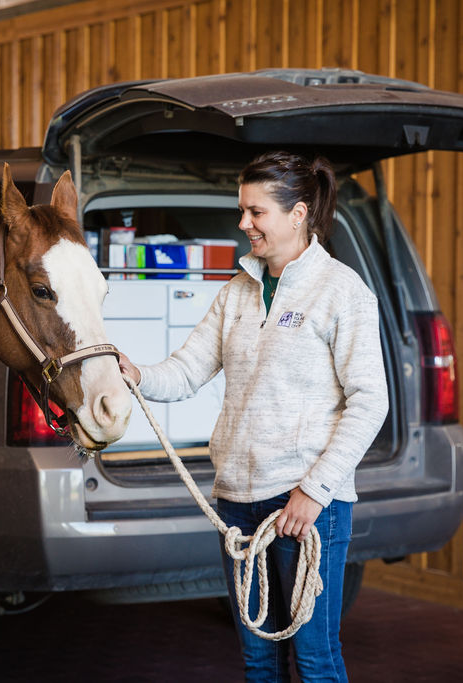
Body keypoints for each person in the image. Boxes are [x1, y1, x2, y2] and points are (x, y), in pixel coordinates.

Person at [119, 151, 388, 682]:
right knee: (258, 660)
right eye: (242, 210)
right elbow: (187, 371)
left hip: (305, 505)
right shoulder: (236, 292)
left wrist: (314, 492)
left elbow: (369, 401)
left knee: (315, 659)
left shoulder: (342, 291)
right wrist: (135, 374)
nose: (243, 224)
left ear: (298, 214)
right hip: (239, 504)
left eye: (255, 212)